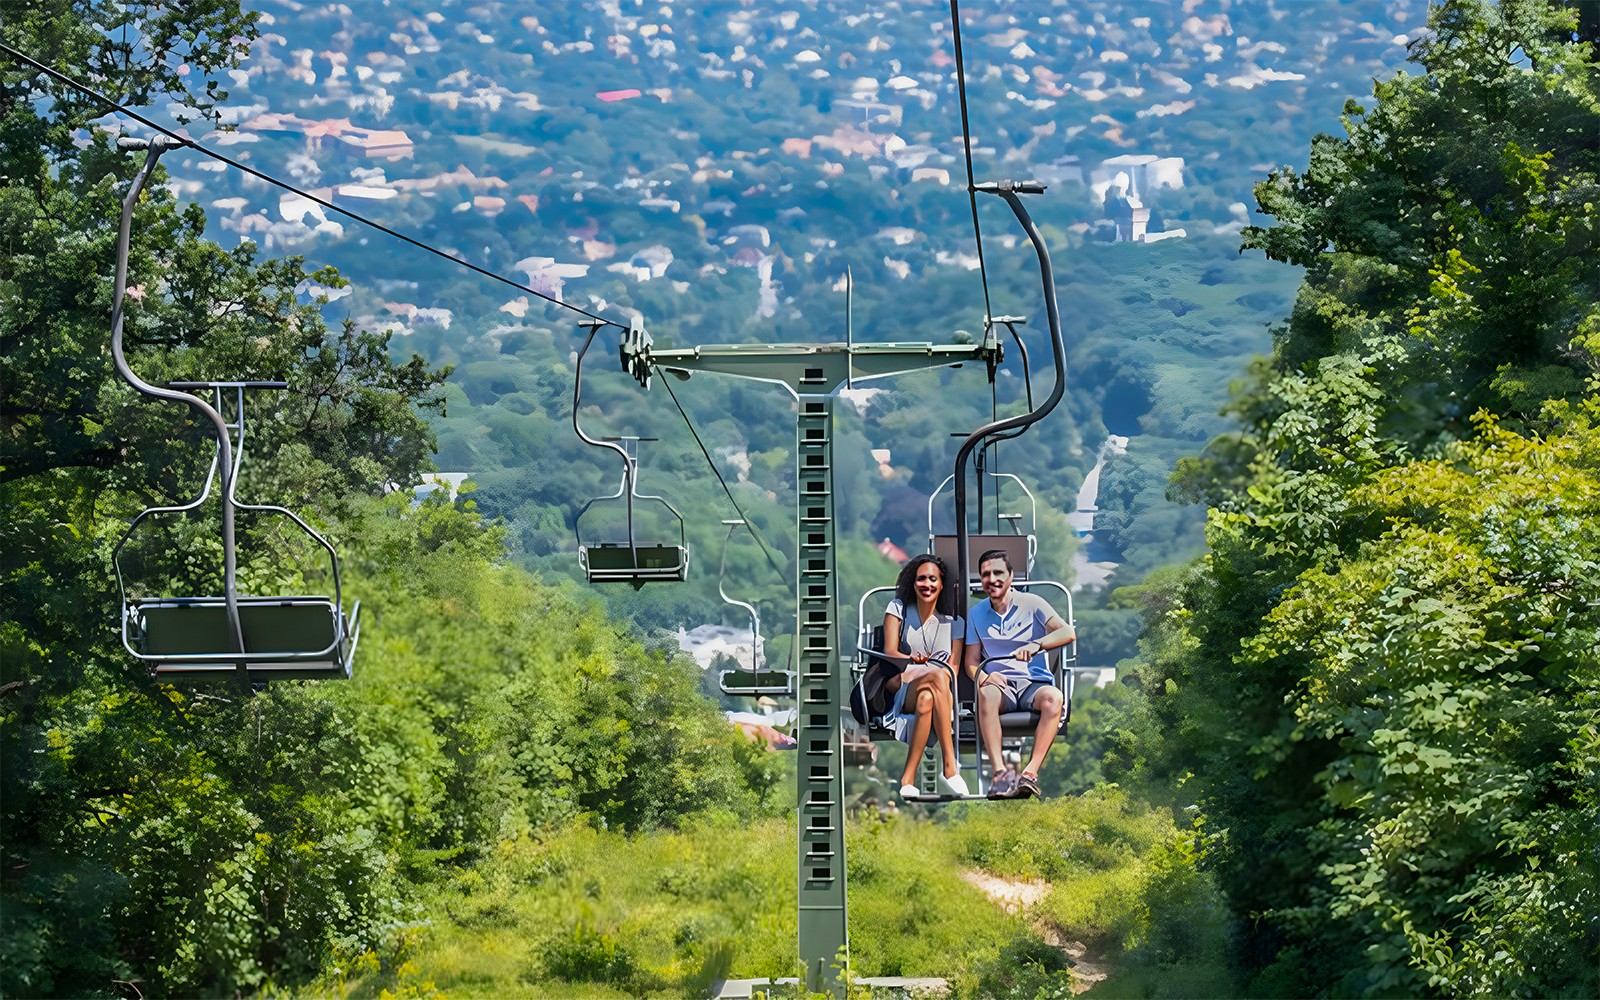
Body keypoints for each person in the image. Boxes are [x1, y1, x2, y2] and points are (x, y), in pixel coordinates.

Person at [962, 549, 1076, 799]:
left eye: (997, 573)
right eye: (985, 575)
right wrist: (984, 677)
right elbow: (971, 661)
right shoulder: (976, 614)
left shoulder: (1032, 604)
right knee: (986, 694)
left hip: (1032, 684)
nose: (992, 579)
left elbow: (1067, 632)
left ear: (1011, 576)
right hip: (999, 685)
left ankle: (1030, 774)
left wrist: (1037, 645)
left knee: (1054, 699)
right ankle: (1001, 774)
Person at [880, 554, 970, 800]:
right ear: (913, 582)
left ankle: (908, 779)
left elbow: (952, 667)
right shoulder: (898, 610)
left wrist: (931, 671)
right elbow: (890, 652)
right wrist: (914, 662)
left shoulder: (955, 623)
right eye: (921, 579)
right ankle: (950, 766)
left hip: (936, 690)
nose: (926, 585)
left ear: (941, 585)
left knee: (928, 697)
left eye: (933, 579)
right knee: (937, 677)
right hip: (903, 685)